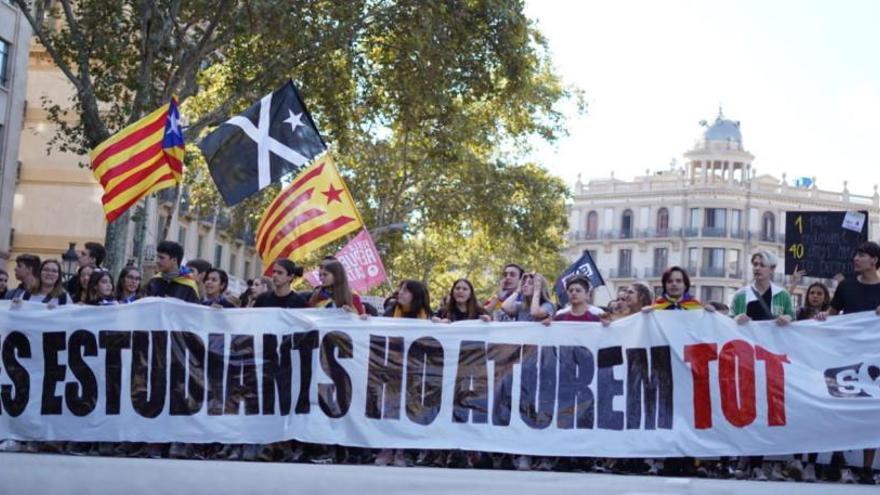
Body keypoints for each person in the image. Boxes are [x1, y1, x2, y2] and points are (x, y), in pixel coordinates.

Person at [816, 241, 880, 485]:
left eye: (861, 255)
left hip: (874, 361)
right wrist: (823, 317)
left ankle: (866, 468)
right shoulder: (846, 285)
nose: (855, 259)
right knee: (841, 405)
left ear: (874, 260)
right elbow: (832, 315)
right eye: (856, 255)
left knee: (872, 410)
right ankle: (838, 457)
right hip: (844, 357)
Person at [730, 251, 795, 482]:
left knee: (767, 411)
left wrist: (788, 319)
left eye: (762, 264)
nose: (757, 268)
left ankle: (759, 463)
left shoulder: (782, 296)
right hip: (747, 362)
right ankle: (747, 460)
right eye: (754, 264)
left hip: (772, 363)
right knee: (748, 411)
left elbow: (795, 326)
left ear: (772, 269)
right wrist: (735, 320)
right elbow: (726, 325)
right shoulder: (741, 295)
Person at [376, 280, 432, 468]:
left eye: (406, 290)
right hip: (392, 367)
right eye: (400, 289)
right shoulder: (392, 310)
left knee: (409, 409)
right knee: (390, 408)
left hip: (415, 370)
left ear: (416, 295)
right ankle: (386, 448)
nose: (400, 293)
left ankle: (401, 451)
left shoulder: (426, 315)